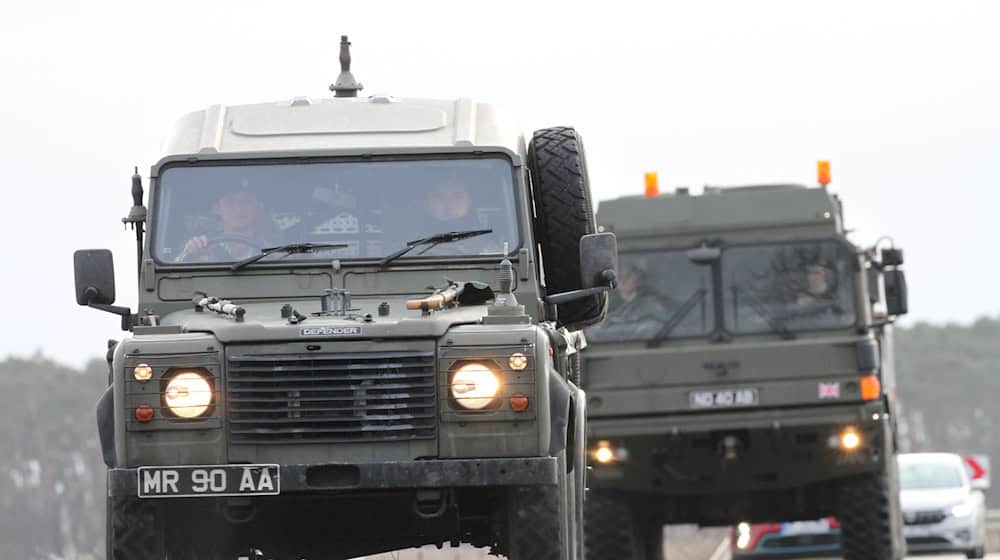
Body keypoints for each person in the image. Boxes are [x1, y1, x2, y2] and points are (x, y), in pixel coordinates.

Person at [176, 186, 274, 262]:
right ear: (217, 208)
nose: (238, 209)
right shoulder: (203, 247)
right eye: (230, 201)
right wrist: (191, 253)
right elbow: (175, 277)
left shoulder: (272, 252)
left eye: (246, 201)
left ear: (258, 207)